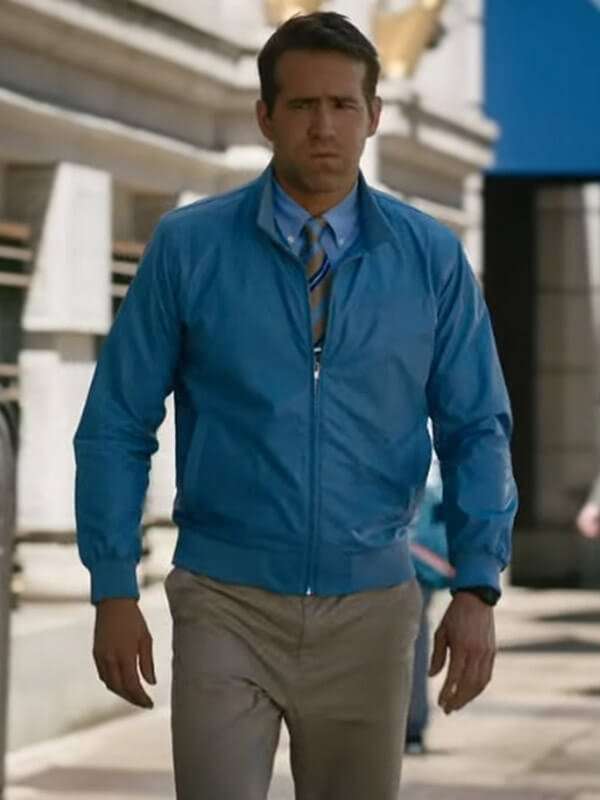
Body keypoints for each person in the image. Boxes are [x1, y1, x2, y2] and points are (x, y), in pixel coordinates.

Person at [73, 12, 518, 800]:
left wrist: (477, 585)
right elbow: (116, 422)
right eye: (303, 105)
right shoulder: (189, 247)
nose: (323, 127)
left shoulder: (431, 259)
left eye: (343, 105)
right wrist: (113, 584)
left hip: (372, 609)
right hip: (224, 602)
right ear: (265, 116)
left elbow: (476, 427)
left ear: (373, 115)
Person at [405, 454, 454, 755]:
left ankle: (410, 725)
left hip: (406, 553)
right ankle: (411, 726)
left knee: (411, 641)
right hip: (414, 555)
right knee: (414, 641)